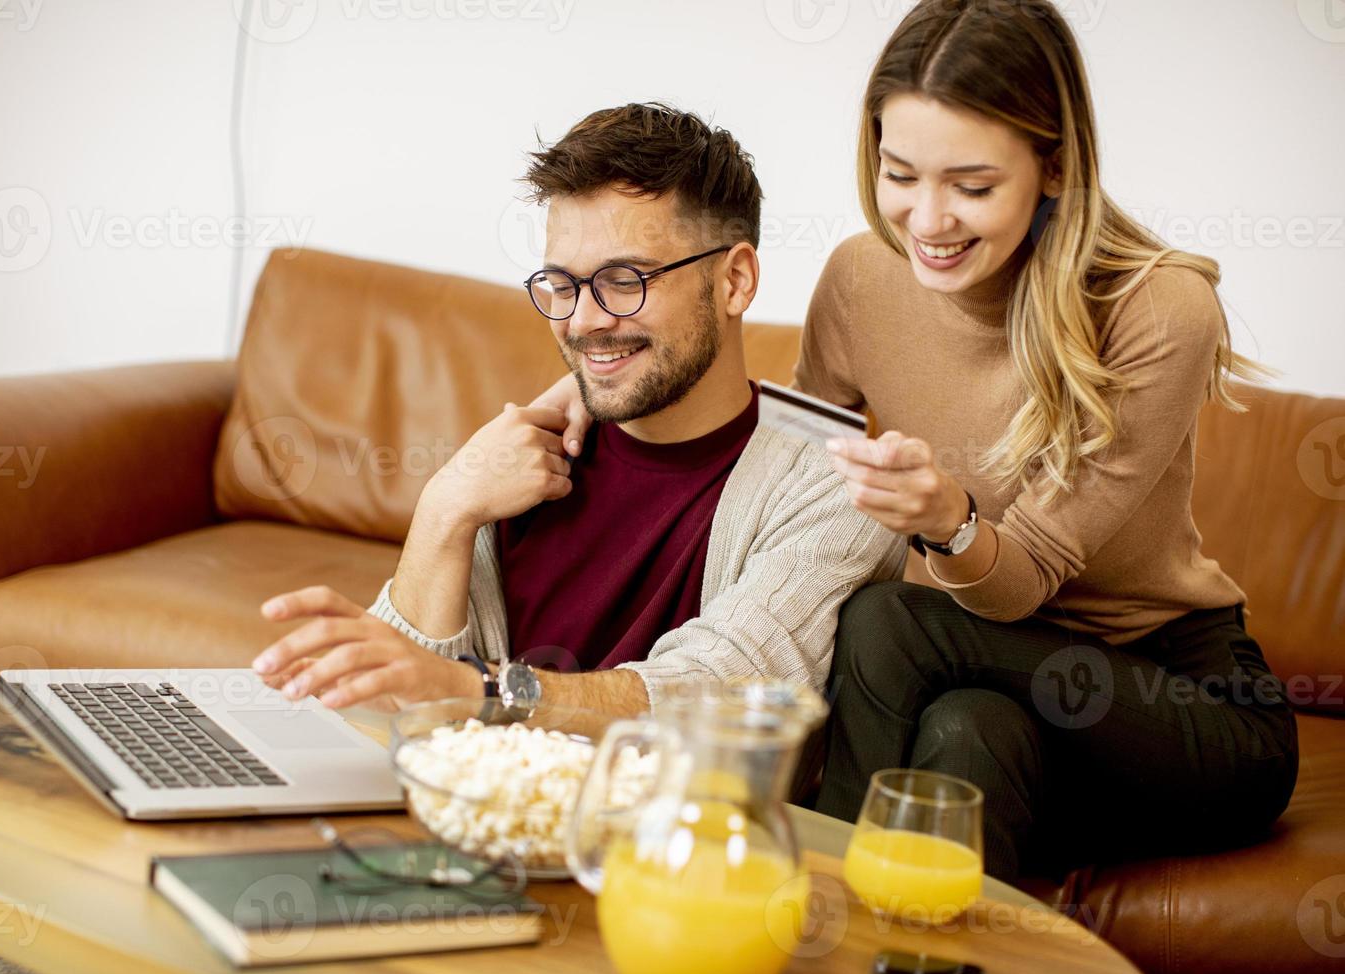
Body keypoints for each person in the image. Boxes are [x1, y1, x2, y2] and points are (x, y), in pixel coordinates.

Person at [542, 1, 1299, 882]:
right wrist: (610, 384)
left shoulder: (1159, 309)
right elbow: (787, 461)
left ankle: (789, 892)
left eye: (971, 187)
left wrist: (951, 522)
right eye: (900, 174)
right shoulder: (864, 275)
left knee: (886, 619)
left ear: (1054, 167)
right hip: (982, 691)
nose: (928, 220)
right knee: (967, 732)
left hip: (1179, 701)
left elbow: (1025, 582)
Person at [249, 103, 905, 719]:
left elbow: (721, 688)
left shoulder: (835, 478)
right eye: (561, 285)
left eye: (626, 281)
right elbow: (384, 714)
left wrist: (481, 692)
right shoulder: (520, 459)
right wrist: (446, 507)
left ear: (734, 280)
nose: (584, 322)